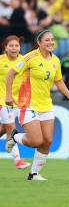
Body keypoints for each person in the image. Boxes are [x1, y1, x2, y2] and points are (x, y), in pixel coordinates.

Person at [5, 30, 69, 181]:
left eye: (52, 39)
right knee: (36, 141)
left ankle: (34, 174)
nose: (51, 42)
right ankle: (14, 136)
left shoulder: (56, 61)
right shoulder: (29, 57)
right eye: (47, 40)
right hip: (28, 104)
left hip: (46, 105)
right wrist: (8, 95)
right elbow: (11, 73)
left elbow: (58, 81)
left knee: (47, 141)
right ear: (39, 43)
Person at [0, 35, 30, 169]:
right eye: (11, 46)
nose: (14, 48)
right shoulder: (0, 61)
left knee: (4, 128)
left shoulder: (24, 62)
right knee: (11, 128)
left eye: (16, 45)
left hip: (17, 102)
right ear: (5, 48)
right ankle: (18, 161)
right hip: (2, 99)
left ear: (20, 47)